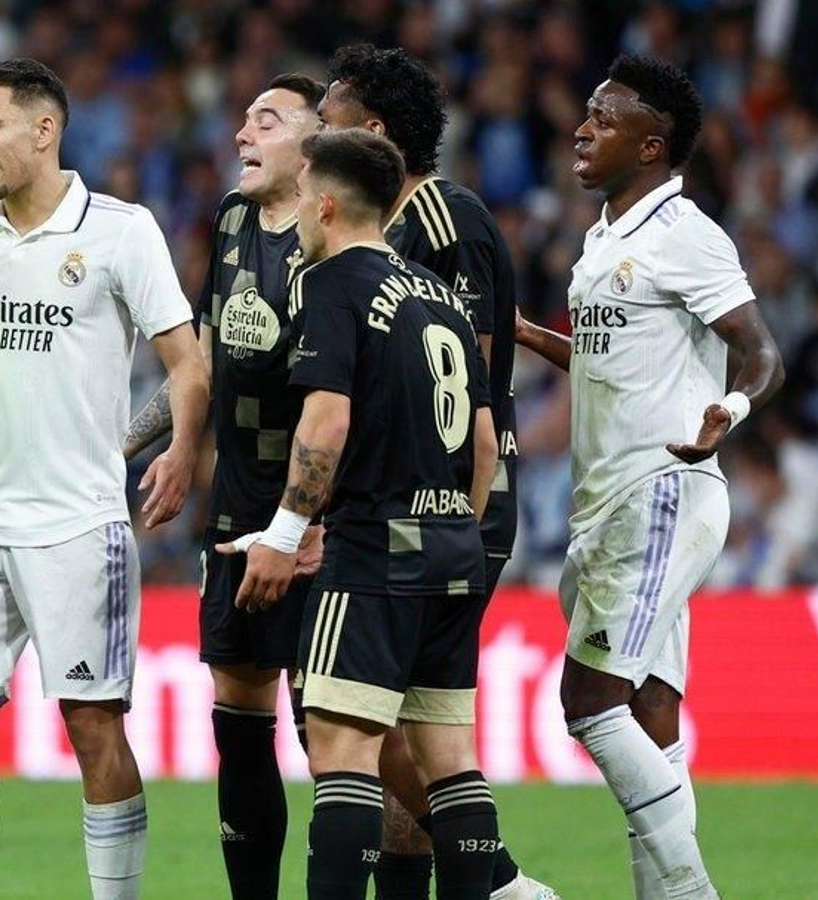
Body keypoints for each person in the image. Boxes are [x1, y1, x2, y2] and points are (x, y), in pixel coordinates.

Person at [0, 58, 208, 900]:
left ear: (44, 130)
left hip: (78, 522)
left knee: (91, 726)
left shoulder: (121, 231)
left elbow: (187, 364)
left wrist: (180, 450)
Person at [515, 55, 784, 899]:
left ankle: (691, 893)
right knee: (649, 710)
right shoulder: (600, 243)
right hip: (610, 505)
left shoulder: (686, 234)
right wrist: (522, 332)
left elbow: (761, 352)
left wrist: (729, 414)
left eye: (605, 117)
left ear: (651, 146)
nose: (583, 128)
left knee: (589, 700)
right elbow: (603, 362)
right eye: (586, 112)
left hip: (664, 493)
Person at [225, 127, 503, 899]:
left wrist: (284, 535)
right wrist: (455, 526)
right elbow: (484, 442)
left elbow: (326, 421)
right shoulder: (441, 296)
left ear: (323, 203)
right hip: (454, 548)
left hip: (375, 551)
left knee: (343, 754)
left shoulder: (331, 284)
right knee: (450, 759)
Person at [319, 44, 555, 900]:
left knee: (387, 729)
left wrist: (450, 508)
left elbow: (473, 389)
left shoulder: (442, 223)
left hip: (454, 502)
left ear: (373, 132)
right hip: (417, 503)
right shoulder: (389, 224)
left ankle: (499, 883)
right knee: (393, 739)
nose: (314, 133)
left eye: (328, 116)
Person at [124, 72, 324, 900]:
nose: (243, 132)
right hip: (238, 506)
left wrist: (310, 515)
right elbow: (199, 358)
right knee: (241, 721)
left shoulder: (344, 231)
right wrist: (142, 445)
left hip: (322, 519)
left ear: (317, 141)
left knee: (339, 738)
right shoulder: (234, 220)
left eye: (266, 120)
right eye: (243, 118)